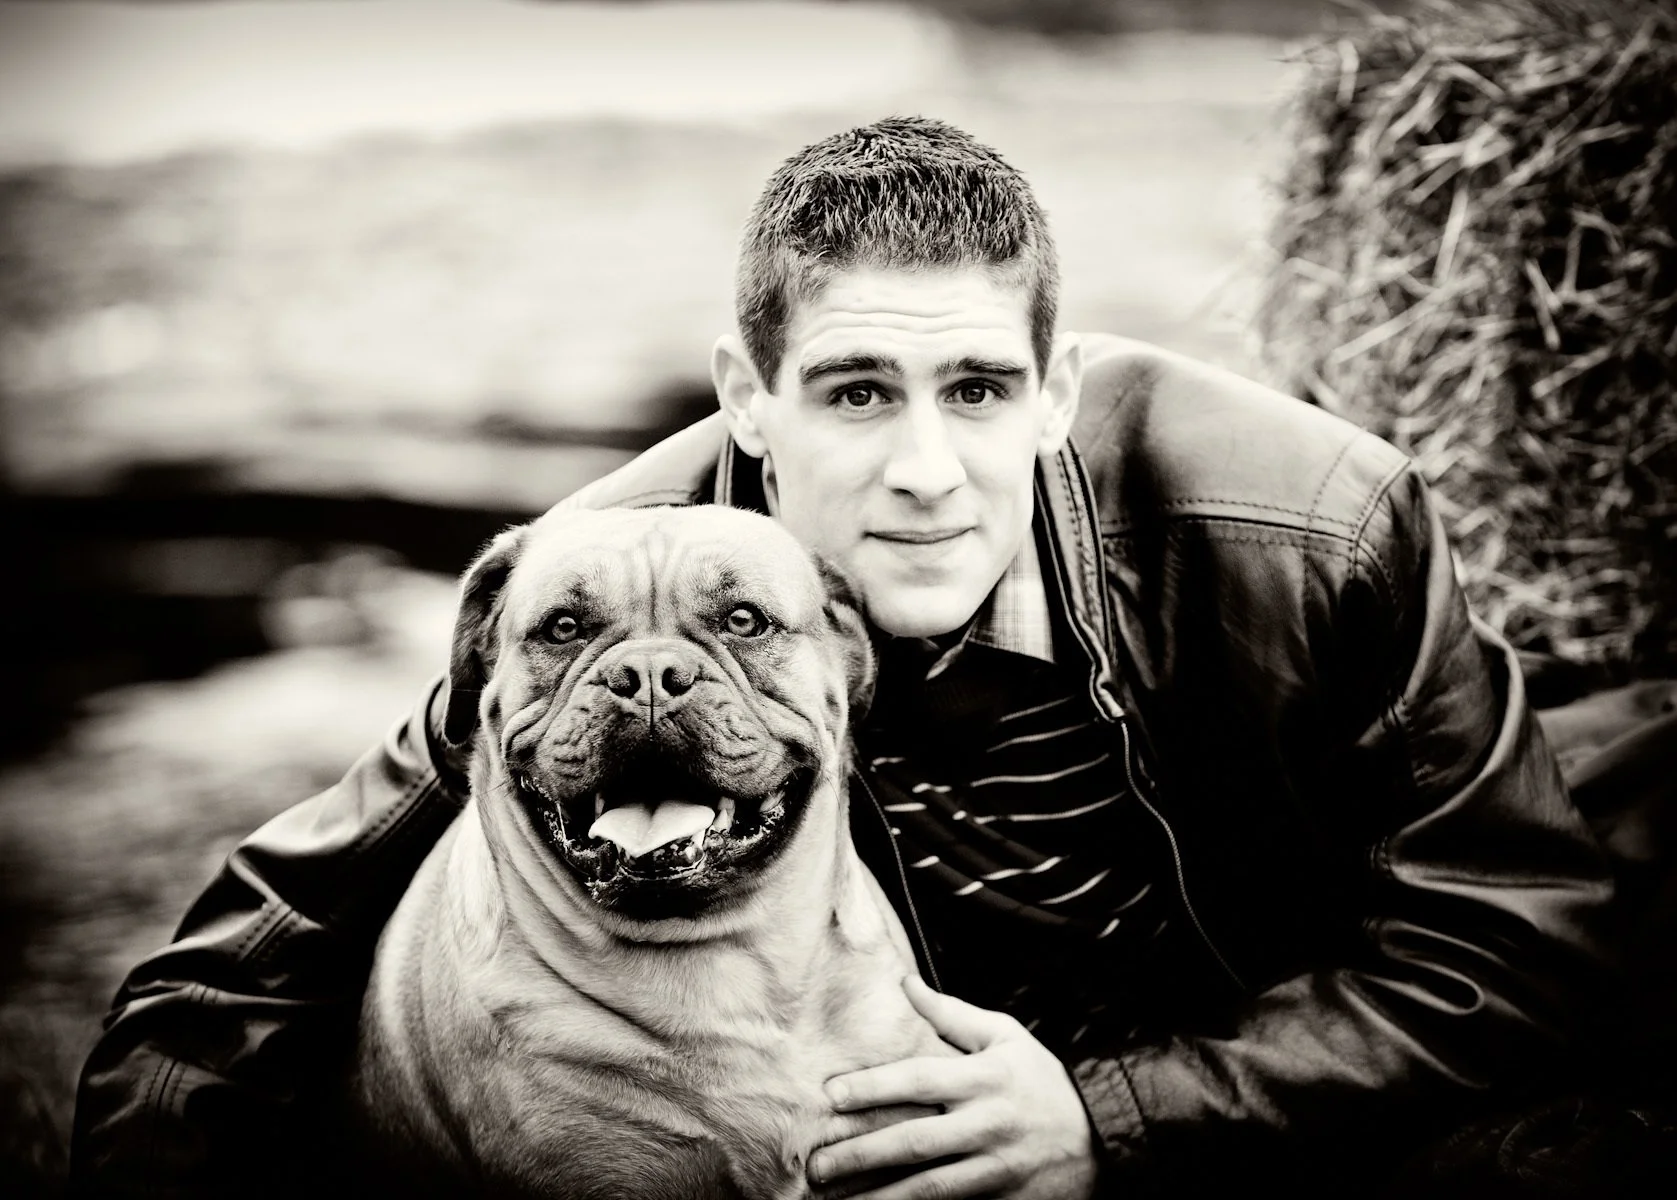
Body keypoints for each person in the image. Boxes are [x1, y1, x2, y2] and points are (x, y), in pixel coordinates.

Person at [70, 117, 1615, 1199]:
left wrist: (1112, 1127)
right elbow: (227, 975)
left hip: (1248, 1062)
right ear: (750, 396)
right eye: (858, 392)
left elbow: (1520, 936)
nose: (927, 471)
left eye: (978, 389)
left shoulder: (1316, 528)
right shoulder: (612, 596)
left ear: (1057, 388)